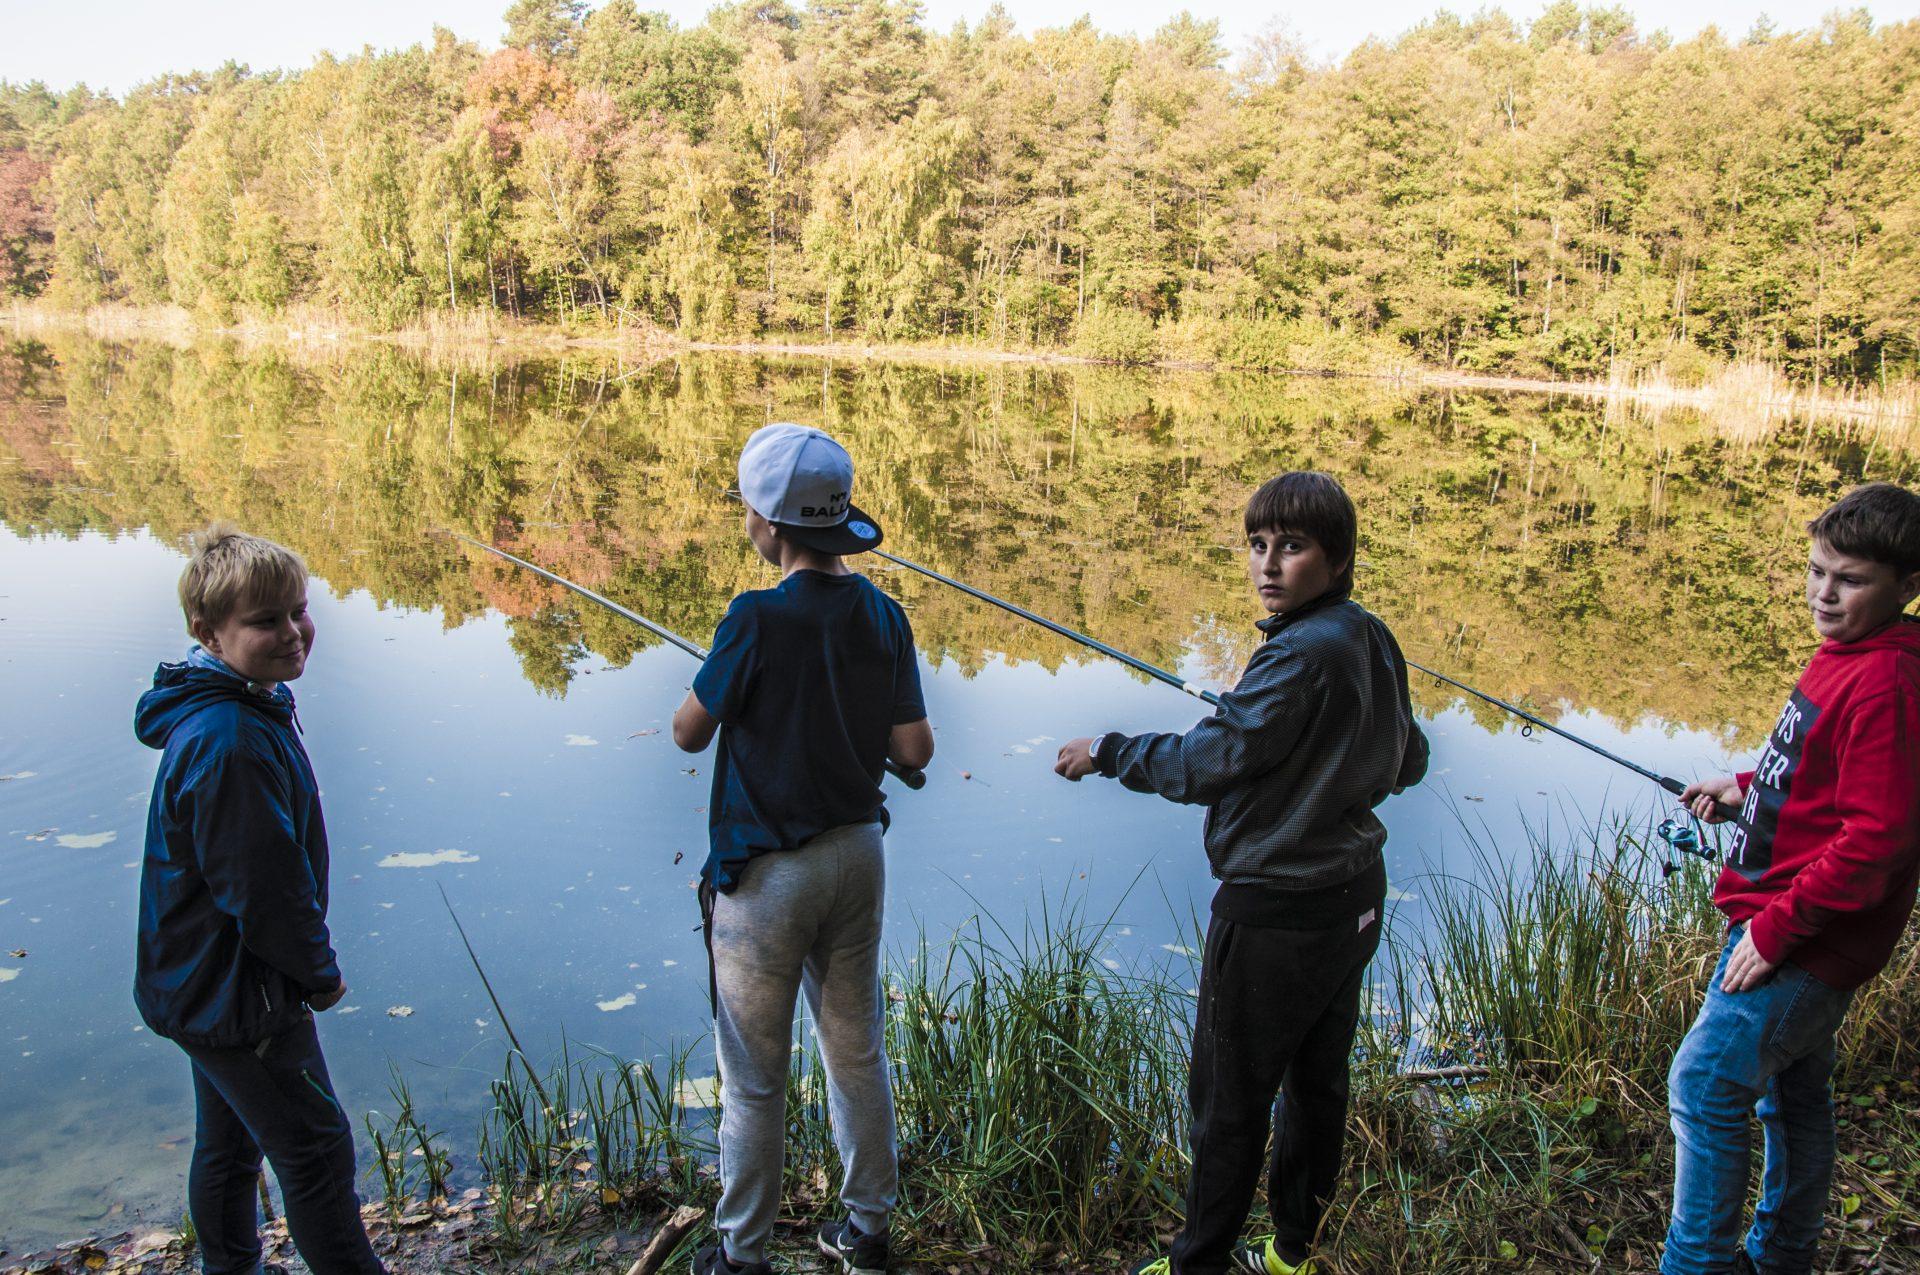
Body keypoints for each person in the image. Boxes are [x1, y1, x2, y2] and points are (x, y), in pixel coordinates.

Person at [1055, 471, 1428, 1275]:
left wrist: (1111, 750)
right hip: (1352, 900)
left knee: (1228, 1100)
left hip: (1276, 914)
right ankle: (1295, 1252)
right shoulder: (1369, 636)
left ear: (1336, 559)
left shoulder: (1296, 657)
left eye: (1291, 547)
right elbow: (1411, 758)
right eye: (1258, 544)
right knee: (1317, 1083)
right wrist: (1322, 753)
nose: (1268, 564)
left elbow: (1209, 761)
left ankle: (1199, 1263)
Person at [671, 423, 935, 1275]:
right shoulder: (885, 615)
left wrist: (727, 674)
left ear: (770, 524)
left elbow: (686, 732)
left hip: (769, 876)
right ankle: (866, 1233)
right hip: (857, 858)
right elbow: (915, 750)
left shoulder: (752, 618)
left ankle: (742, 1255)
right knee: (856, 1048)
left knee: (752, 1077)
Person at [1665, 481, 1920, 1275]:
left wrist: (1774, 932)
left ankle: (1698, 1264)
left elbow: (1877, 839)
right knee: (1795, 1091)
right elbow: (1824, 772)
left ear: (1907, 586)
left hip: (1801, 936)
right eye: (1816, 571)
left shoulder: (1888, 681)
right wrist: (1746, 784)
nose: (1824, 591)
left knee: (1704, 1084)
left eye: (1849, 579)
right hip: (1791, 924)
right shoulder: (1851, 654)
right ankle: (1783, 1255)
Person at [134, 522, 384, 1275]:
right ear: (207, 632)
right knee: (314, 1147)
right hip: (240, 992)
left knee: (230, 1139)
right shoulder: (230, 740)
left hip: (199, 983)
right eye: (265, 619)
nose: (293, 632)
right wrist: (319, 972)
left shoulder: (244, 701)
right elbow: (264, 890)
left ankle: (231, 1268)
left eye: (298, 609)